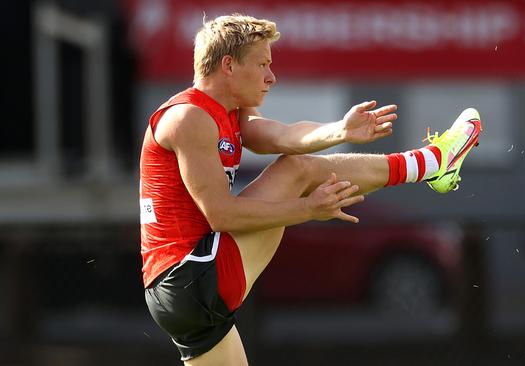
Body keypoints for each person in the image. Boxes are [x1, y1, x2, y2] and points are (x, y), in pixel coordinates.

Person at [140, 13, 481, 366]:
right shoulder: (189, 118)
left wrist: (341, 131)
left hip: (181, 293)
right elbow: (222, 213)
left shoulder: (228, 110)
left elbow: (283, 136)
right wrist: (308, 210)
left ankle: (430, 165)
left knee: (296, 163)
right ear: (228, 65)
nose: (271, 77)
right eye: (262, 65)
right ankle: (430, 164)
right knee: (295, 169)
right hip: (190, 276)